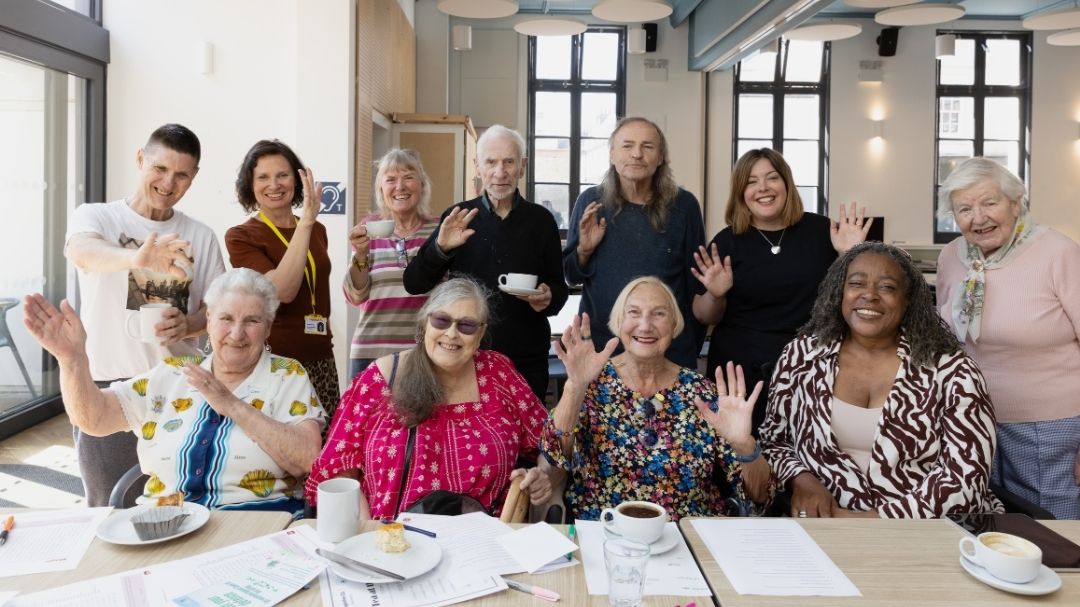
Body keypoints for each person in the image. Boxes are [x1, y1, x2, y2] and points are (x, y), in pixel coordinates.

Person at [23, 269, 325, 514]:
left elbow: (307, 460)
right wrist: (72, 360)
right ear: (209, 320)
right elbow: (94, 419)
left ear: (268, 328)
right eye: (226, 319)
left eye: (252, 321)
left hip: (254, 525)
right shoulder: (171, 373)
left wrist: (232, 405)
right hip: (165, 525)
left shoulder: (286, 375)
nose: (237, 333)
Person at [759, 242, 1003, 518]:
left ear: (908, 299)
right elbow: (774, 442)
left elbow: (966, 478)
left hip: (925, 530)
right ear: (840, 292)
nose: (870, 295)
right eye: (856, 283)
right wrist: (802, 481)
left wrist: (870, 521)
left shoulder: (953, 371)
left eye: (887, 287)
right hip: (821, 525)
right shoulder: (801, 356)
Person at [64, 123, 226, 506]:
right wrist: (136, 258)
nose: (169, 183)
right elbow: (81, 251)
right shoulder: (98, 217)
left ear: (194, 177)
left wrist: (189, 324)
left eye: (181, 174)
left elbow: (218, 309)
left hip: (176, 387)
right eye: (160, 168)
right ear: (140, 159)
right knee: (109, 505)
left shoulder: (201, 235)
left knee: (178, 501)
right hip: (107, 385)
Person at [305, 278, 552, 519]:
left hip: (483, 538)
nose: (452, 334)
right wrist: (367, 530)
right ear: (425, 323)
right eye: (441, 320)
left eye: (466, 325)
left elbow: (549, 439)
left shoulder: (498, 374)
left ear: (480, 333)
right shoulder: (380, 379)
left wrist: (541, 474)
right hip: (393, 537)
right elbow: (337, 467)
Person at [540, 276, 775, 522]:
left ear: (674, 325)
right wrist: (575, 386)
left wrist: (744, 445)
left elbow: (761, 495)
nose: (645, 326)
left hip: (687, 533)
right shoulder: (591, 382)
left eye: (659, 314)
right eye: (634, 312)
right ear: (618, 322)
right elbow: (554, 455)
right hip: (606, 531)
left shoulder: (701, 391)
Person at [936, 158, 1080, 520]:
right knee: (988, 526)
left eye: (990, 202)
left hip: (1051, 428)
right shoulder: (951, 256)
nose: (978, 217)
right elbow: (946, 339)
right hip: (969, 420)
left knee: (1052, 533)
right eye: (964, 209)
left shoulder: (1060, 253)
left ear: (1016, 203)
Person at [694, 148, 870, 434]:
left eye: (772, 178)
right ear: (740, 192)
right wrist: (716, 294)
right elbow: (704, 316)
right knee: (742, 451)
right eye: (751, 181)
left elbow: (855, 297)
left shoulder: (823, 231)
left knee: (808, 447)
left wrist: (849, 254)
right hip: (741, 370)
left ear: (786, 183)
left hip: (810, 366)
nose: (763, 188)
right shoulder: (727, 242)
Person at [402, 125, 567, 400]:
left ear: (522, 167)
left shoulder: (542, 221)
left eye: (509, 162)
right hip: (464, 357)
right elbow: (414, 283)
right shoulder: (459, 217)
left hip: (525, 361)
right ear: (477, 167)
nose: (500, 172)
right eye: (491, 162)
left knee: (525, 429)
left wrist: (548, 297)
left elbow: (559, 291)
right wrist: (441, 249)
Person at [563, 117, 706, 369]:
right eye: (627, 146)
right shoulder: (591, 201)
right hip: (602, 349)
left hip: (667, 352)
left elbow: (696, 286)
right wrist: (584, 251)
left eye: (647, 146)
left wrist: (688, 346)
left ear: (660, 157)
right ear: (612, 154)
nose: (637, 154)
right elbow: (570, 276)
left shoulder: (684, 206)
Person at [225, 140, 339, 419]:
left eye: (282, 175)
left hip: (321, 357)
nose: (274, 185)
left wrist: (308, 223)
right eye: (263, 177)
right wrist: (306, 222)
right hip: (275, 362)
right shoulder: (241, 236)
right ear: (250, 185)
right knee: (280, 442)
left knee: (325, 442)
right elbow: (281, 291)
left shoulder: (317, 230)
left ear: (296, 179)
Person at [344, 149, 439, 380]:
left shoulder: (438, 230)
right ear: (381, 189)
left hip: (424, 353)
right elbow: (355, 296)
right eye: (390, 180)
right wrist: (361, 254)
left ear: (422, 184)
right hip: (371, 353)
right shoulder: (368, 229)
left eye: (408, 177)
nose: (400, 186)